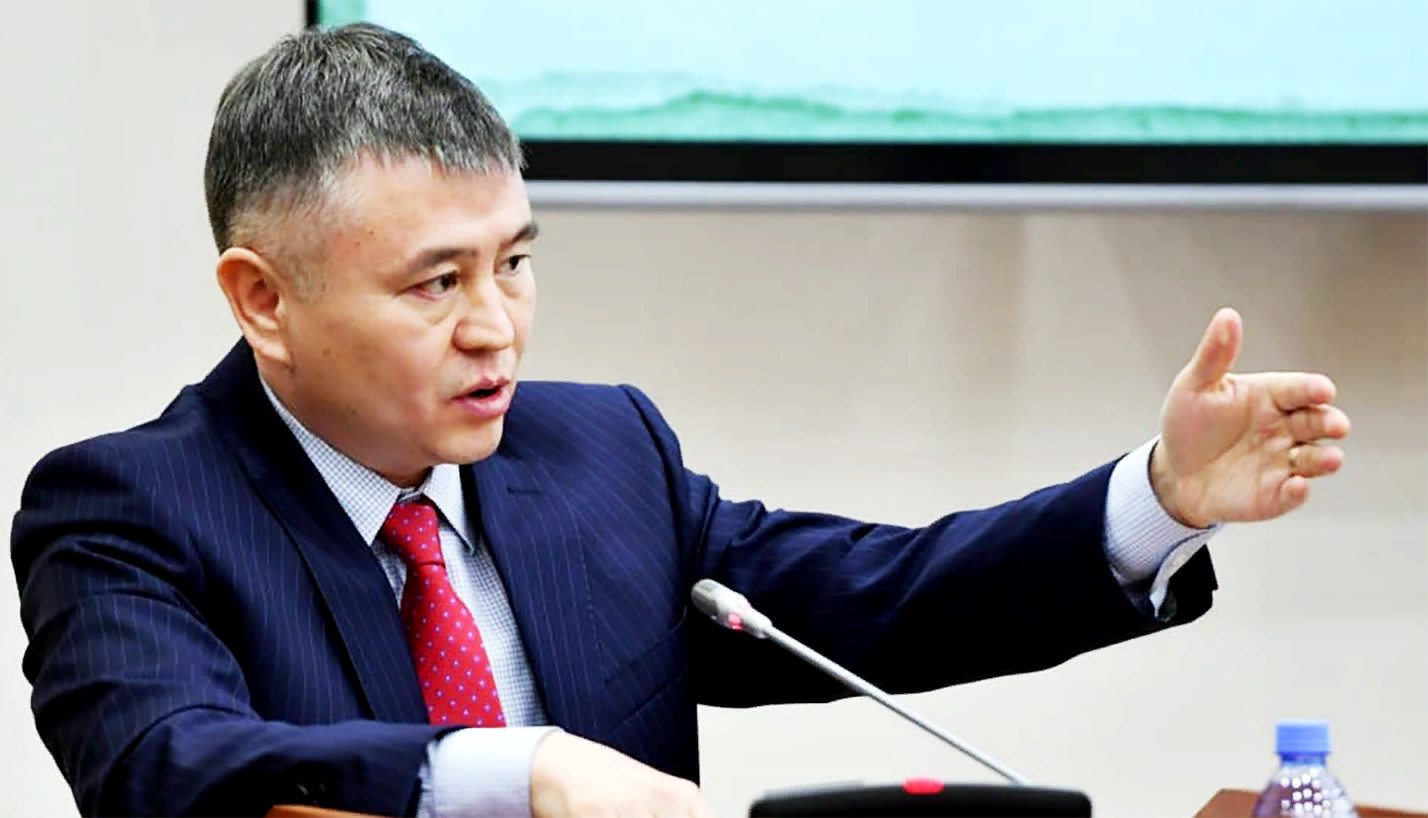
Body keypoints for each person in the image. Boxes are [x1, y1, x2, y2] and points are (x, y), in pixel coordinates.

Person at [9, 23, 1351, 818]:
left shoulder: (600, 453)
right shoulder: (129, 510)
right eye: (435, 283)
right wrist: (518, 772)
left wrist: (1158, 498)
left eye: (513, 262)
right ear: (265, 298)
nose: (497, 327)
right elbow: (166, 765)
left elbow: (881, 598)